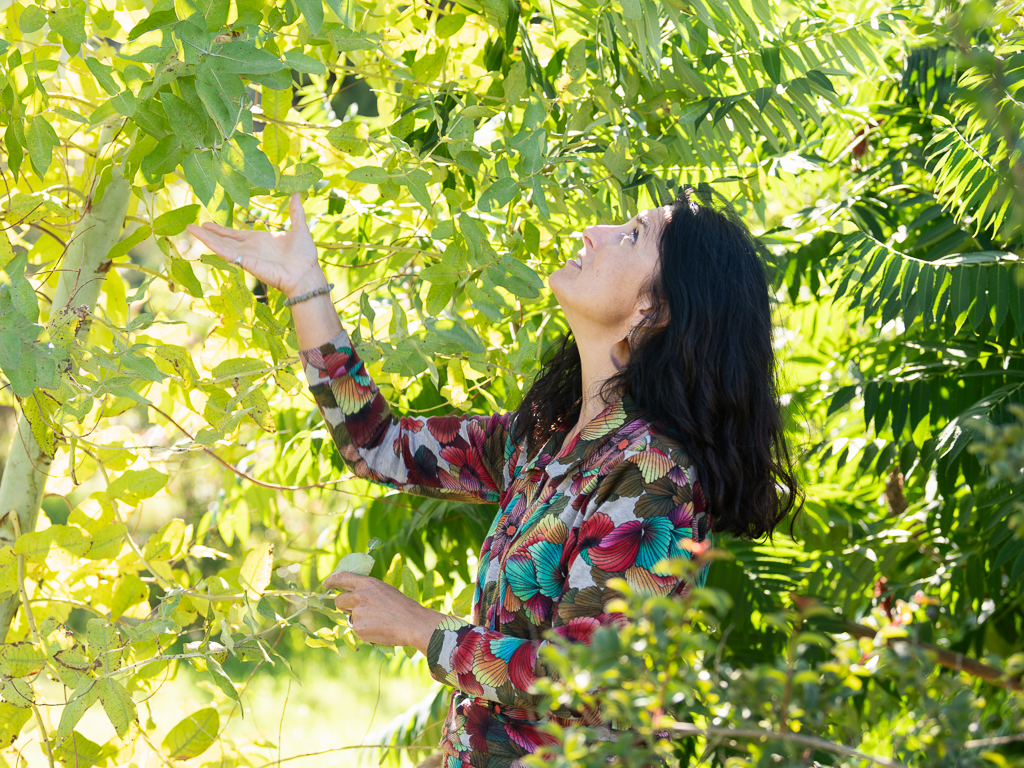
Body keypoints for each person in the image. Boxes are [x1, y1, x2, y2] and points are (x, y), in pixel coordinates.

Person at [186, 188, 799, 767]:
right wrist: (305, 288)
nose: (595, 230)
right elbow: (381, 446)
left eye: (631, 235)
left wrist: (420, 627)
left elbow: (581, 683)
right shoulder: (546, 436)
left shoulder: (652, 475)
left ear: (653, 307)